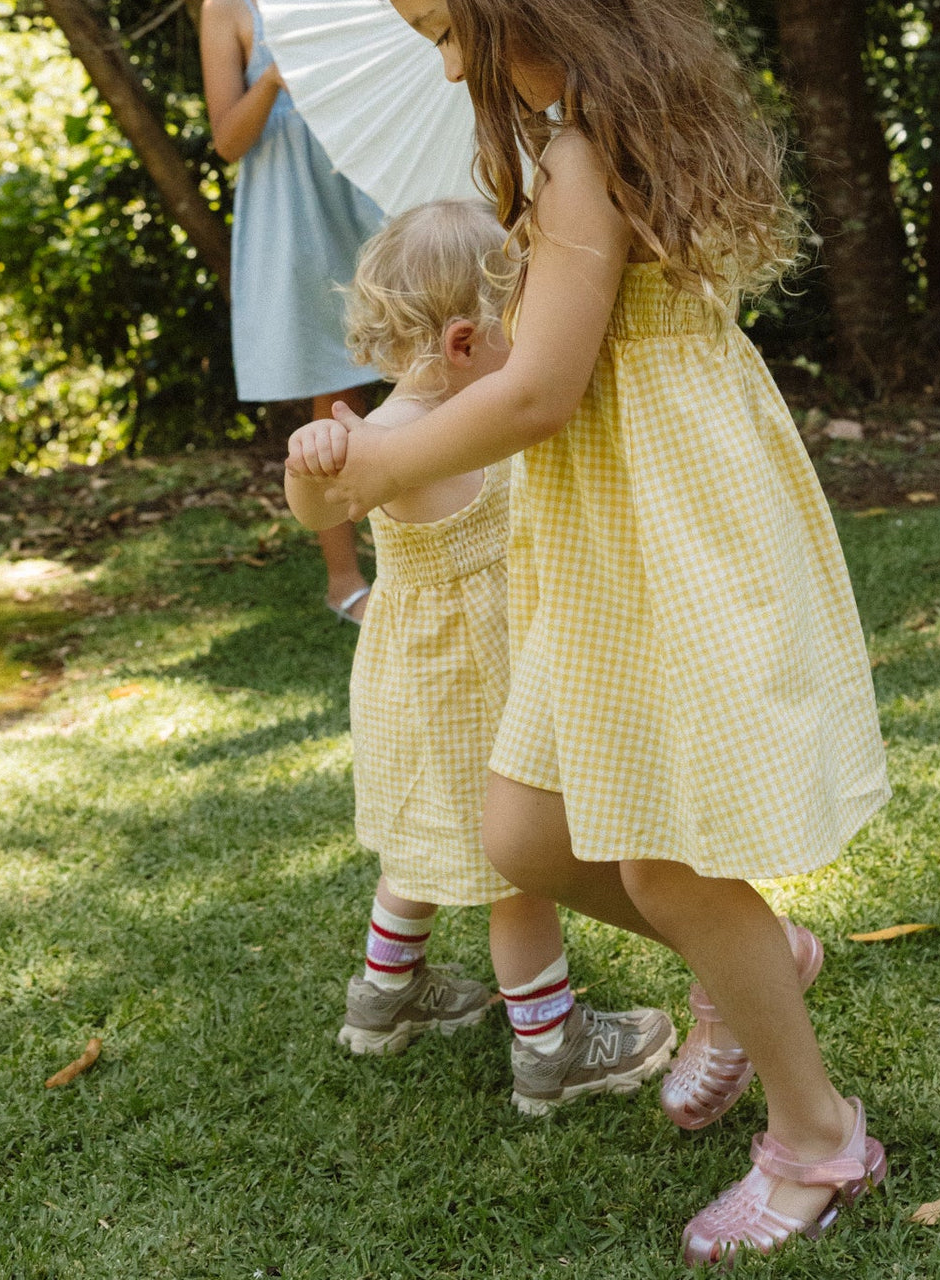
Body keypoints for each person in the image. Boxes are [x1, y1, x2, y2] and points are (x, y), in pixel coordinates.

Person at [286, 0, 892, 1263]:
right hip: (611, 519)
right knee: (523, 828)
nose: (444, 64)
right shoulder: (603, 132)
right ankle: (756, 957)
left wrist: (374, 461)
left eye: (447, 33)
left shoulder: (579, 155)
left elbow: (541, 389)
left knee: (663, 855)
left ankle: (816, 1133)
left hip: (659, 520)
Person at [283, 197, 675, 1113]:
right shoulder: (387, 438)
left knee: (423, 840)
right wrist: (308, 465)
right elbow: (318, 511)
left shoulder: (454, 413)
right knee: (516, 868)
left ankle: (384, 999)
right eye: (520, 326)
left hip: (424, 681)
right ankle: (552, 1048)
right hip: (471, 676)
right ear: (464, 341)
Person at [200, 0, 378, 623]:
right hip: (295, 207)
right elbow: (227, 140)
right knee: (336, 387)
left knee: (434, 357)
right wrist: (275, 76)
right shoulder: (225, 9)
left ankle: (450, 535)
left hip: (372, 181)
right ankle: (345, 581)